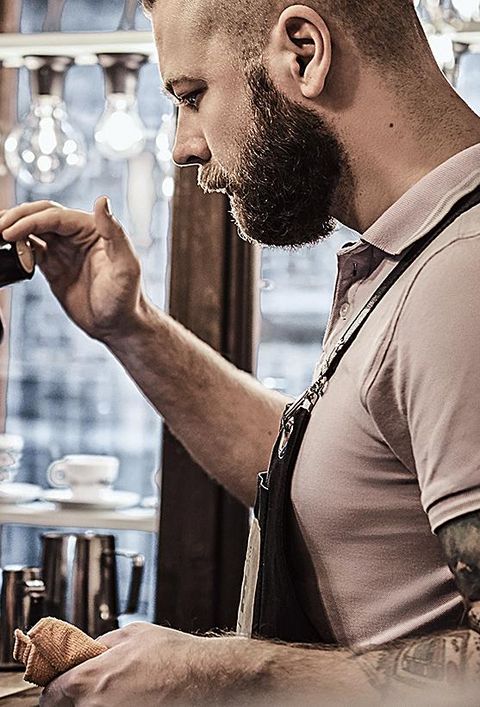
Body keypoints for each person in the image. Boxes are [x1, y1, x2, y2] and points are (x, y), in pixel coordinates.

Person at [2, 0, 480, 703]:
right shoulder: (414, 255)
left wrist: (221, 674)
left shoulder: (463, 275)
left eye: (191, 96)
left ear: (305, 52)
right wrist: (130, 325)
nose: (182, 145)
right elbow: (342, 474)